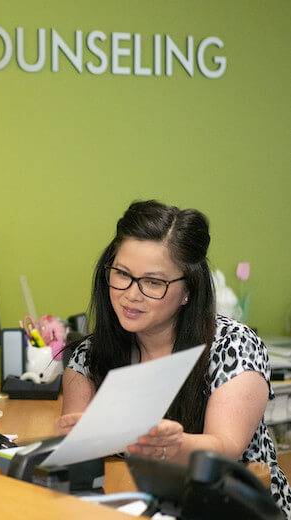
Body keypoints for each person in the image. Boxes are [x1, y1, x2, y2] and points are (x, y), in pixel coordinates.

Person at [58, 200, 291, 517]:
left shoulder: (233, 344)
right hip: (140, 504)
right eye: (122, 273)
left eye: (153, 282)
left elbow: (226, 447)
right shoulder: (90, 354)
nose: (131, 293)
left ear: (187, 291)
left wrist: (177, 447)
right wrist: (77, 439)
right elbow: (79, 447)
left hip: (231, 510)